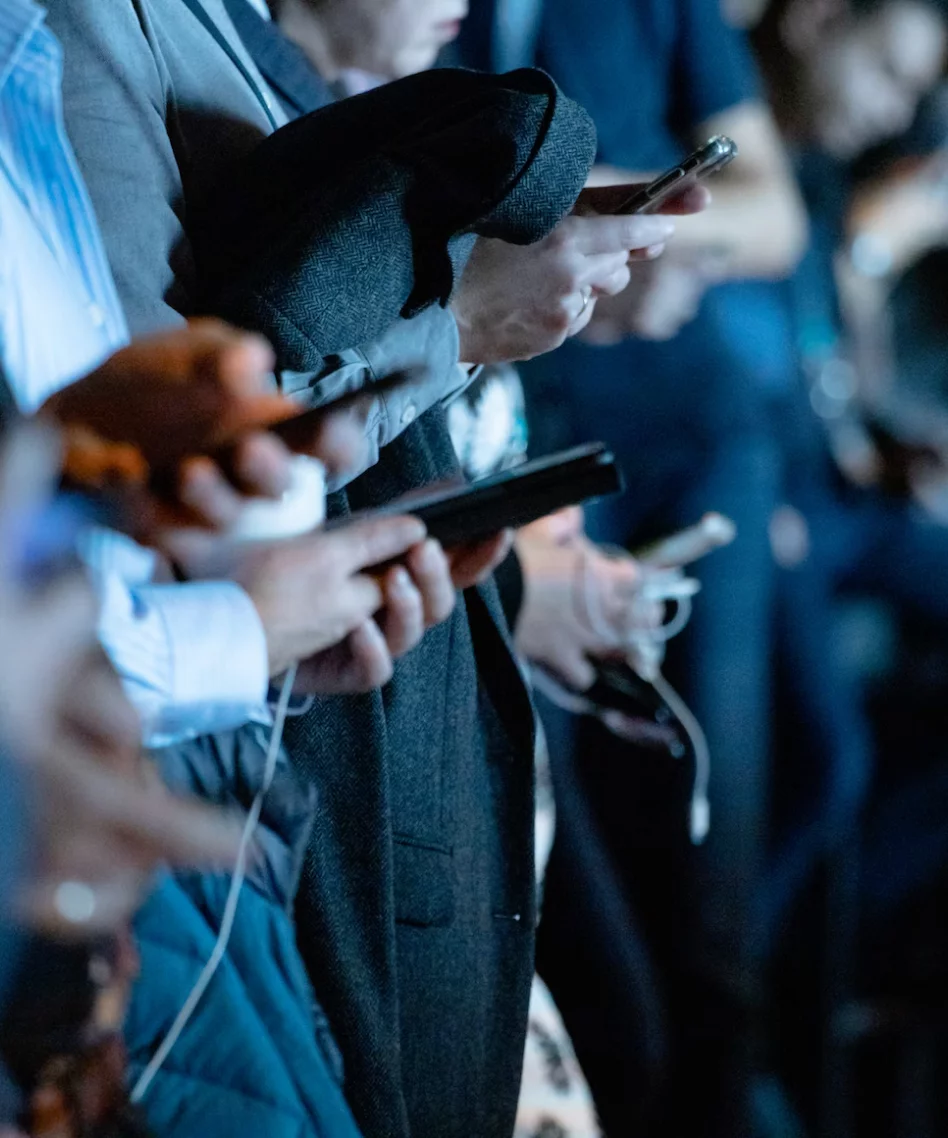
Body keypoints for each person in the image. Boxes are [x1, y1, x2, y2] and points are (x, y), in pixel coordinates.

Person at [45, 2, 710, 1134]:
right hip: (207, 774)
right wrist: (463, 316)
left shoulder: (238, 59)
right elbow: (177, 469)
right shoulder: (84, 34)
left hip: (336, 719)